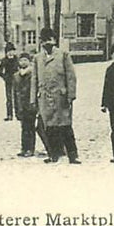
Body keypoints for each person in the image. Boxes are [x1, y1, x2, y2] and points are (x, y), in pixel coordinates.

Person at [34, 27, 80, 164]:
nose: (47, 43)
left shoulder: (63, 55)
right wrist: (33, 98)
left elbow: (71, 76)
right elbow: (34, 80)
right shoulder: (37, 58)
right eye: (44, 40)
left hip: (61, 97)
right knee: (49, 127)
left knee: (65, 126)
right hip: (44, 97)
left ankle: (73, 155)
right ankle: (53, 154)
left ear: (54, 40)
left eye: (49, 39)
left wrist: (70, 95)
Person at [12, 52, 42, 157]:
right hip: (21, 106)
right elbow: (15, 93)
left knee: (30, 128)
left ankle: (31, 149)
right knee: (24, 128)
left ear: (29, 62)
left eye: (25, 60)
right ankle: (24, 148)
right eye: (21, 60)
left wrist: (35, 104)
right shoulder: (16, 76)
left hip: (30, 104)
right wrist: (16, 107)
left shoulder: (32, 74)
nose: (23, 62)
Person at [0, 42, 19, 121]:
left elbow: (21, 68)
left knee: (17, 96)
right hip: (8, 80)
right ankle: (9, 115)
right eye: (8, 51)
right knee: (9, 98)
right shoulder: (4, 60)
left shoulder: (17, 59)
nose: (10, 53)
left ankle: (18, 113)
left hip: (17, 80)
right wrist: (4, 77)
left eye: (12, 50)